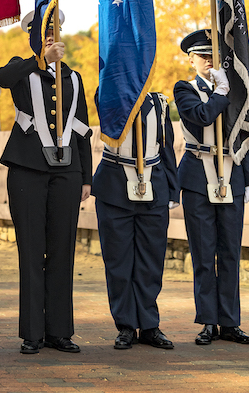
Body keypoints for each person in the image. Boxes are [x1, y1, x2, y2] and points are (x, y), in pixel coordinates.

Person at [0, 10, 92, 354]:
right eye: (43, 33)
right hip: (28, 170)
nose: (51, 37)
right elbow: (2, 77)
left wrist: (87, 178)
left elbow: (81, 128)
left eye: (55, 30)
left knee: (62, 251)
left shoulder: (74, 78)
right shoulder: (22, 70)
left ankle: (59, 331)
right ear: (32, 37)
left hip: (67, 173)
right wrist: (38, 59)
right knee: (32, 251)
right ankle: (33, 333)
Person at [174, 29, 249, 346]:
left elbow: (239, 135)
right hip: (198, 177)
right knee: (204, 254)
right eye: (202, 55)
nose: (209, 60)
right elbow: (201, 117)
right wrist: (221, 94)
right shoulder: (185, 89)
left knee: (230, 253)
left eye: (213, 54)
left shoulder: (234, 91)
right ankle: (208, 320)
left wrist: (248, 177)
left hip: (231, 174)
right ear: (191, 59)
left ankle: (230, 322)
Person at [92, 89, 179, 351]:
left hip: (154, 187)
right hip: (115, 186)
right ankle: (126, 325)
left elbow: (167, 146)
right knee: (119, 262)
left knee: (151, 261)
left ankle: (150, 324)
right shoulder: (110, 94)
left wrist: (173, 189)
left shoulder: (159, 103)